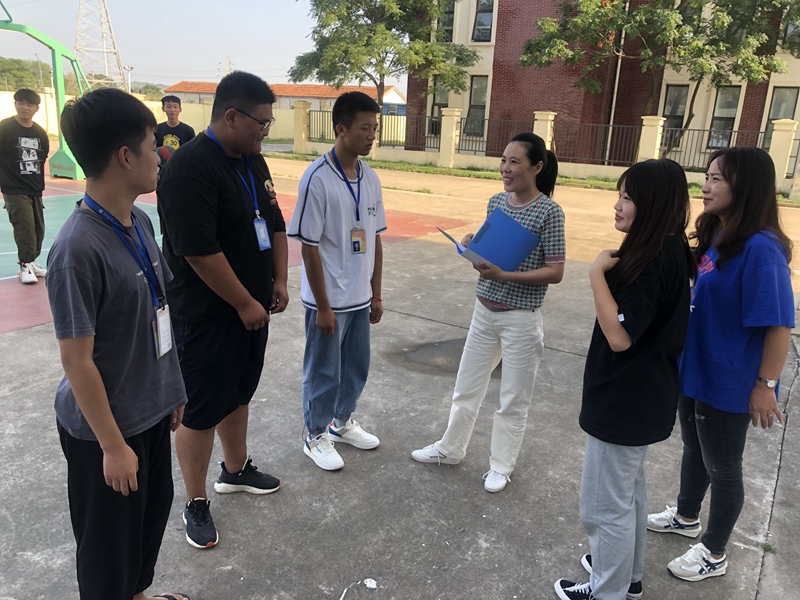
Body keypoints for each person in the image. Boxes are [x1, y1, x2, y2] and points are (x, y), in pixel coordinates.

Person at [48, 88, 189, 600]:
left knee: (146, 526)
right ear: (125, 157)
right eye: (153, 145)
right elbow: (77, 361)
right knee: (109, 550)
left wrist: (171, 390)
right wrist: (112, 446)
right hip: (106, 431)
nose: (161, 156)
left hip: (148, 411)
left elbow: (159, 310)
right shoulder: (77, 249)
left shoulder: (140, 220)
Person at [646, 147, 794, 582]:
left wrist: (765, 385)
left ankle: (714, 552)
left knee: (724, 467)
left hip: (728, 380)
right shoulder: (721, 234)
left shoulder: (762, 249)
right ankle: (686, 516)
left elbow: (779, 325)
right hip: (697, 368)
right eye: (706, 176)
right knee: (695, 449)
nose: (705, 186)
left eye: (716, 179)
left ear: (743, 187)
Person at [554, 159, 695, 600]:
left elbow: (619, 336)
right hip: (643, 396)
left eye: (628, 198)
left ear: (653, 204)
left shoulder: (653, 260)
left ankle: (607, 591)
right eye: (619, 195)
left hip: (626, 401)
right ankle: (626, 578)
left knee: (603, 506)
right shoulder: (668, 249)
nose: (617, 205)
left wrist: (596, 274)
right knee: (627, 494)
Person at [158, 71, 288, 549]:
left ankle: (235, 470)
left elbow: (274, 221)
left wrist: (278, 280)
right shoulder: (190, 168)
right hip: (208, 314)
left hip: (253, 309)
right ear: (231, 116)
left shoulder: (252, 159)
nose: (265, 131)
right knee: (201, 409)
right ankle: (195, 501)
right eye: (261, 122)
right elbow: (199, 252)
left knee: (238, 392)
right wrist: (244, 302)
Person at [411, 132, 565, 492]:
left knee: (512, 398)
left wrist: (505, 275)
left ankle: (500, 466)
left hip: (521, 318)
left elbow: (555, 271)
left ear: (537, 167)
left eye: (515, 162)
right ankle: (450, 449)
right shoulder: (496, 202)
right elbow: (487, 256)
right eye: (503, 161)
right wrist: (471, 247)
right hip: (484, 310)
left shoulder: (549, 212)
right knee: (466, 387)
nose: (506, 169)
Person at [287, 91, 385, 471]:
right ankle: (314, 434)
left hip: (359, 297)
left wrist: (376, 294)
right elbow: (309, 248)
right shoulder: (317, 178)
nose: (372, 135)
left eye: (375, 128)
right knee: (323, 371)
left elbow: (375, 238)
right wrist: (323, 307)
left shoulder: (371, 178)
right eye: (364, 128)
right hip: (327, 301)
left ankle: (341, 422)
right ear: (341, 129)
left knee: (357, 367)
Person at [0, 88, 50, 283]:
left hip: (35, 187)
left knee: (38, 229)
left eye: (29, 104)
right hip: (14, 188)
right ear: (15, 105)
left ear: (36, 108)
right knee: (25, 227)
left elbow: (42, 156)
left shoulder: (39, 133)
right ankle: (25, 265)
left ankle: (31, 262)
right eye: (21, 103)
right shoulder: (5, 128)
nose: (25, 107)